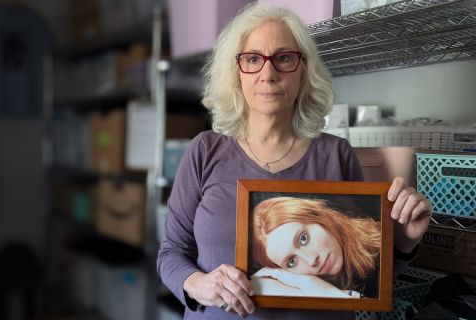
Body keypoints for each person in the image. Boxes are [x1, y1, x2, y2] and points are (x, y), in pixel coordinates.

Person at [157, 3, 432, 319]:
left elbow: (367, 273)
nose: (268, 74)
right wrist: (197, 283)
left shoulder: (336, 154)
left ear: (304, 71)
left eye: (284, 58)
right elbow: (171, 255)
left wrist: (404, 242)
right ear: (236, 74)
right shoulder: (205, 151)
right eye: (252, 59)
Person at [250, 197, 381, 299]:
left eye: (303, 239)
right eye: (291, 262)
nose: (311, 260)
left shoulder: (382, 245)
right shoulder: (308, 291)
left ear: (317, 216)